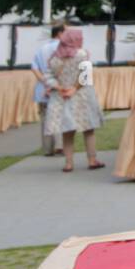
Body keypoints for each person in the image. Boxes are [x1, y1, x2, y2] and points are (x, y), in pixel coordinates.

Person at [43, 27, 105, 172]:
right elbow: (86, 76)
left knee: (67, 131)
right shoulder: (82, 54)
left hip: (62, 97)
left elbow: (47, 76)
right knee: (88, 129)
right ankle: (92, 160)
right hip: (82, 96)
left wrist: (59, 88)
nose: (82, 40)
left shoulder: (55, 57)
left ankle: (68, 163)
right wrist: (74, 89)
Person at [30, 24, 66, 156]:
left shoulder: (41, 49)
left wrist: (45, 82)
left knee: (45, 118)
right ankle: (60, 145)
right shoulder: (63, 49)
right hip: (58, 87)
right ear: (60, 34)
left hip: (42, 89)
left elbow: (34, 68)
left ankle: (47, 148)